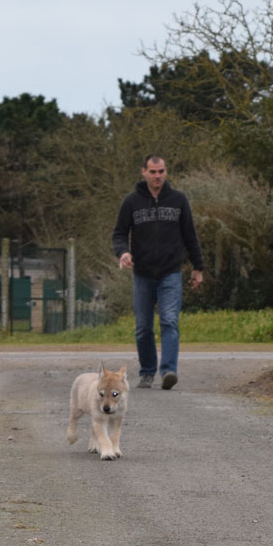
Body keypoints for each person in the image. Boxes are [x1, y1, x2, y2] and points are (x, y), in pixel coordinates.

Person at [112, 154, 204, 390]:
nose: (157, 176)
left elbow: (190, 235)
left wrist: (198, 267)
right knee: (143, 327)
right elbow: (119, 234)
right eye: (153, 172)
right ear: (143, 172)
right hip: (142, 274)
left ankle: (168, 372)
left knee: (169, 321)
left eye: (161, 171)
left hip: (170, 273)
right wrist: (123, 252)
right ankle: (147, 372)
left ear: (166, 172)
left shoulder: (178, 200)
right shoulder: (131, 202)